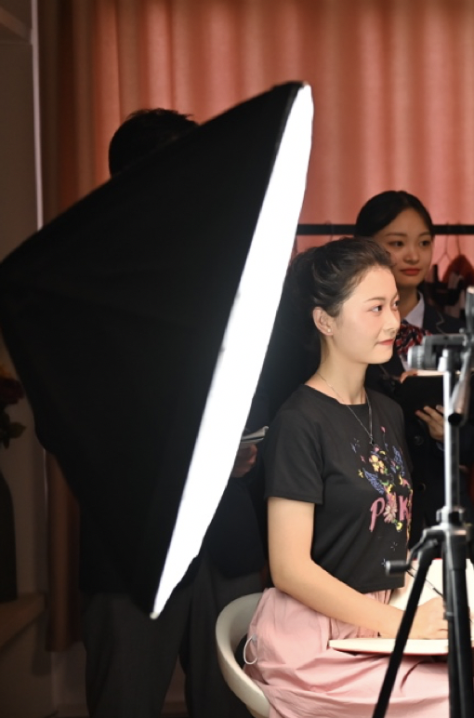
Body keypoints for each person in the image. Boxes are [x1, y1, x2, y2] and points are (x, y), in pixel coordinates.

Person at [242, 237, 474, 717]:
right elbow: (289, 568)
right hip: (319, 638)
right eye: (375, 308)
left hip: (388, 613)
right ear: (325, 321)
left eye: (394, 305)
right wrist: (402, 622)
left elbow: (388, 536)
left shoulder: (386, 410)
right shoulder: (299, 422)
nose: (393, 322)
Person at [80, 108, 264, 718]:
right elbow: (73, 423)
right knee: (125, 701)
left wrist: (247, 440)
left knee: (235, 704)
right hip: (132, 543)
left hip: (229, 537)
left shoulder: (233, 266)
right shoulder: (84, 281)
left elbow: (263, 377)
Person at [357, 190, 474, 546]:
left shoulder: (458, 333)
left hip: (446, 519)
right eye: (397, 243)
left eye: (424, 242)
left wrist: (450, 436)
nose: (414, 255)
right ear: (365, 246)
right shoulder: (347, 332)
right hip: (374, 519)